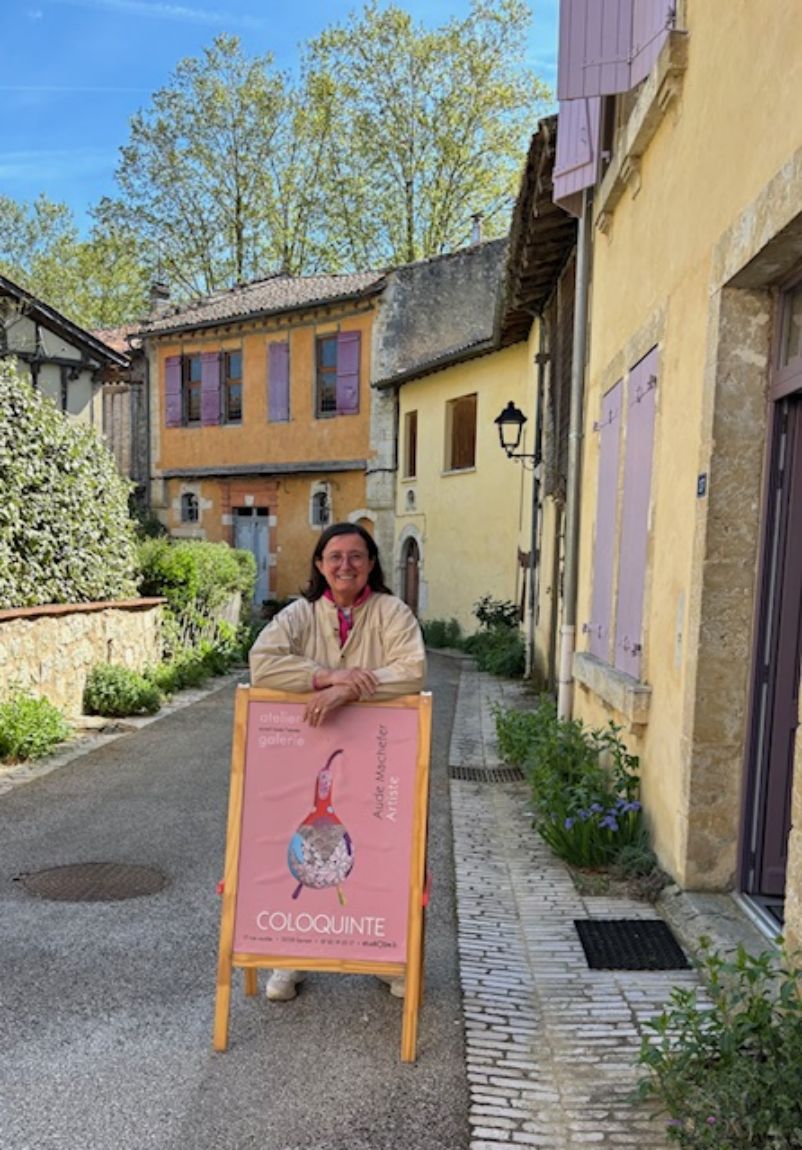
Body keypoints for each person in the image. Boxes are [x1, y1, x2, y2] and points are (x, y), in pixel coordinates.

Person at [249, 521, 426, 1001]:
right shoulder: (300, 614)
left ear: (371, 563)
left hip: (378, 754)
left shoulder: (392, 612)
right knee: (306, 848)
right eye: (335, 557)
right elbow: (261, 662)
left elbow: (412, 670)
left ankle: (384, 954)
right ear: (320, 565)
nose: (345, 565)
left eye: (355, 556)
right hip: (309, 753)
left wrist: (348, 691)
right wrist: (325, 676)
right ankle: (291, 955)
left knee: (377, 849)